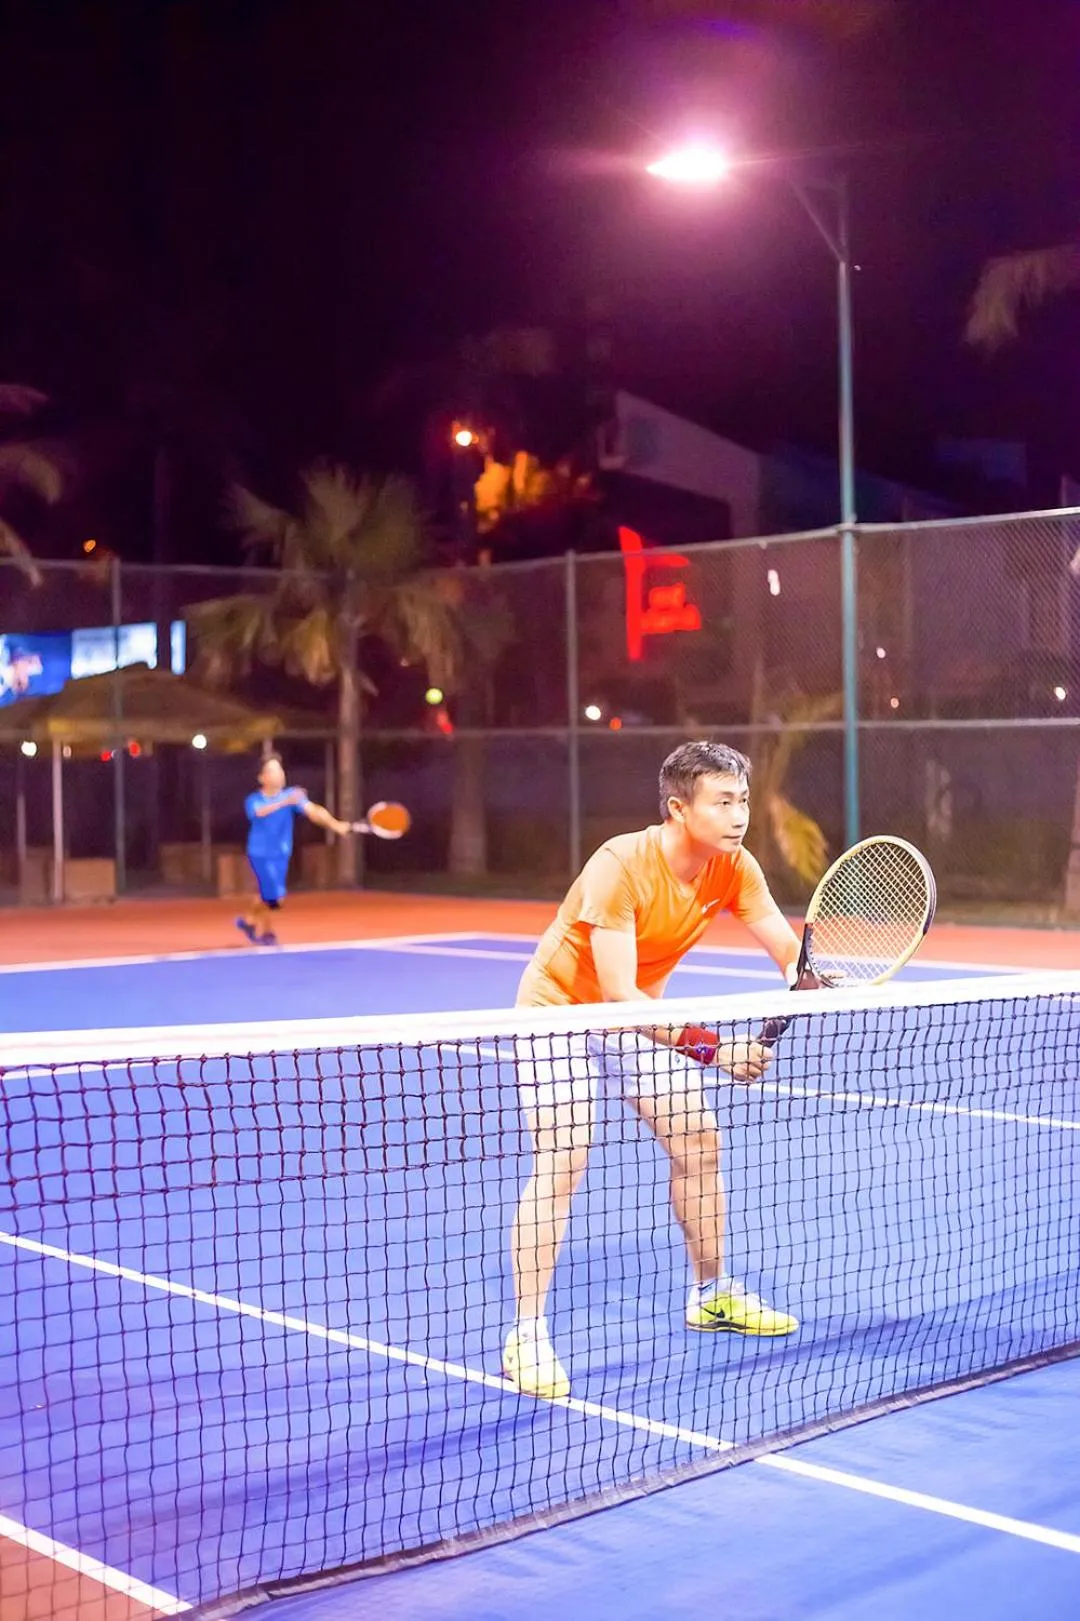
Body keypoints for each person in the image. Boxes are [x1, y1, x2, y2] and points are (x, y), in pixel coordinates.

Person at [504, 740, 803, 1401]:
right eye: (723, 801)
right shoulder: (621, 864)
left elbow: (788, 950)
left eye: (744, 800)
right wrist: (714, 1048)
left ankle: (712, 1293)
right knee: (565, 1155)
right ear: (678, 807)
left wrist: (804, 975)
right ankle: (525, 1334)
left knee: (698, 1139)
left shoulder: (734, 867)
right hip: (560, 1009)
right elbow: (616, 996)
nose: (739, 815)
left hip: (638, 1014)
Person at [236, 753, 351, 946]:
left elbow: (314, 812)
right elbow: (259, 813)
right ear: (262, 778)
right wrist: (285, 802)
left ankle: (263, 930)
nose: (279, 775)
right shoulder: (254, 799)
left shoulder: (291, 797)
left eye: (280, 770)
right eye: (272, 771)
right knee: (274, 896)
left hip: (281, 853)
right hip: (260, 853)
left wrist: (335, 824)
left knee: (269, 895)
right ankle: (249, 921)